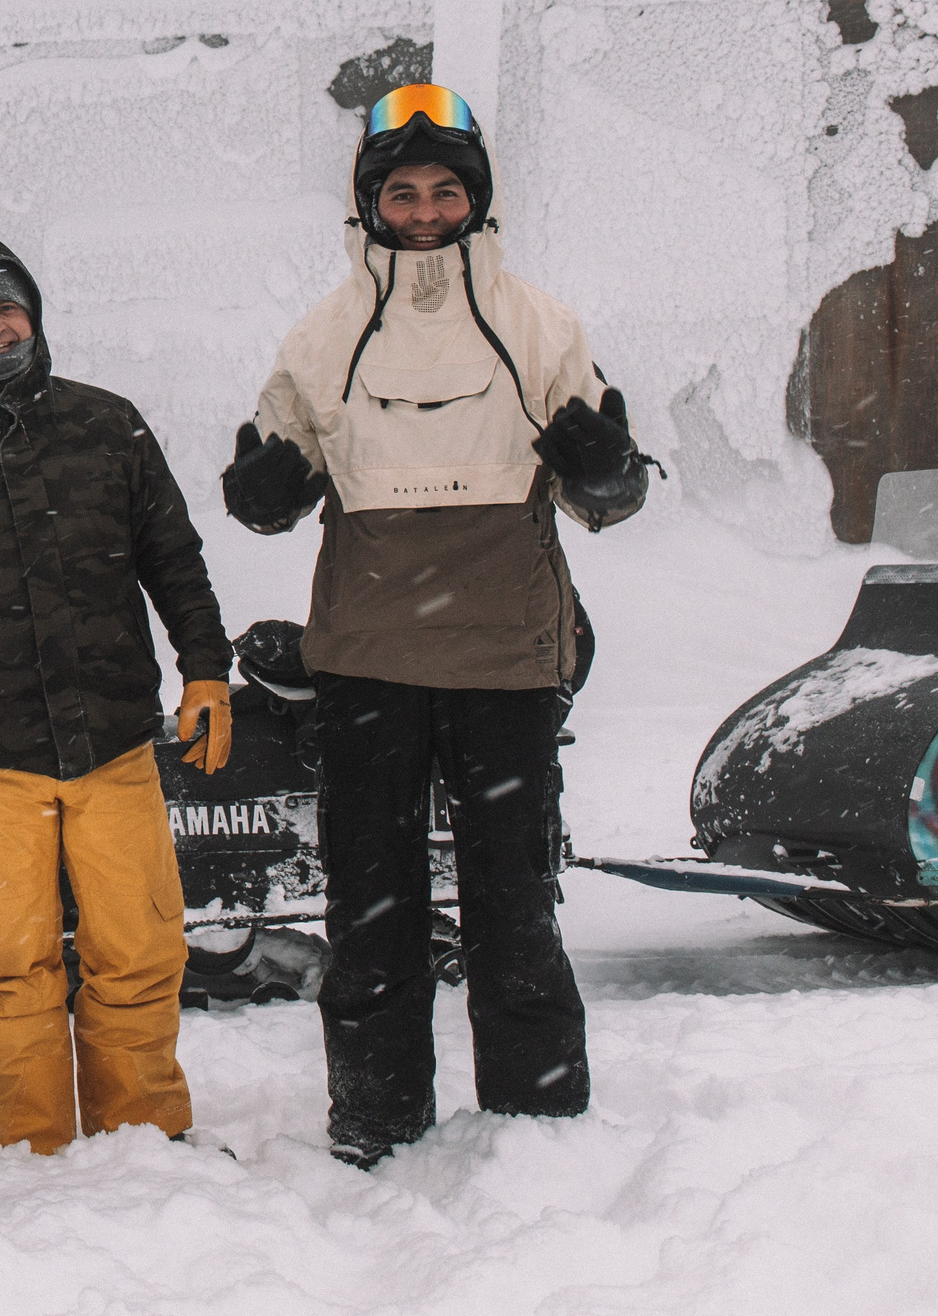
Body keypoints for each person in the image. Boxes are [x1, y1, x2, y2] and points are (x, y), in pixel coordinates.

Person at [222, 83, 651, 1167]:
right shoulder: (320, 338)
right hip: (370, 657)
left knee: (513, 899)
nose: (422, 211)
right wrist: (262, 488)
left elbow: (604, 497)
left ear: (477, 198)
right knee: (372, 903)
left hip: (504, 650)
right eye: (401, 192)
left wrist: (608, 473)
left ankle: (537, 1121)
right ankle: (375, 1116)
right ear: (369, 202)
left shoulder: (542, 325)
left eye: (443, 190)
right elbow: (272, 490)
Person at [0, 232, 235, 1155]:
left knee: (140, 956)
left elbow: (174, 560)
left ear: (34, 313)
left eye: (7, 308)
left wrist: (206, 667)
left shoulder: (109, 426)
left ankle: (143, 1139)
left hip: (115, 748)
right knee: (8, 969)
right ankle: (27, 1156)